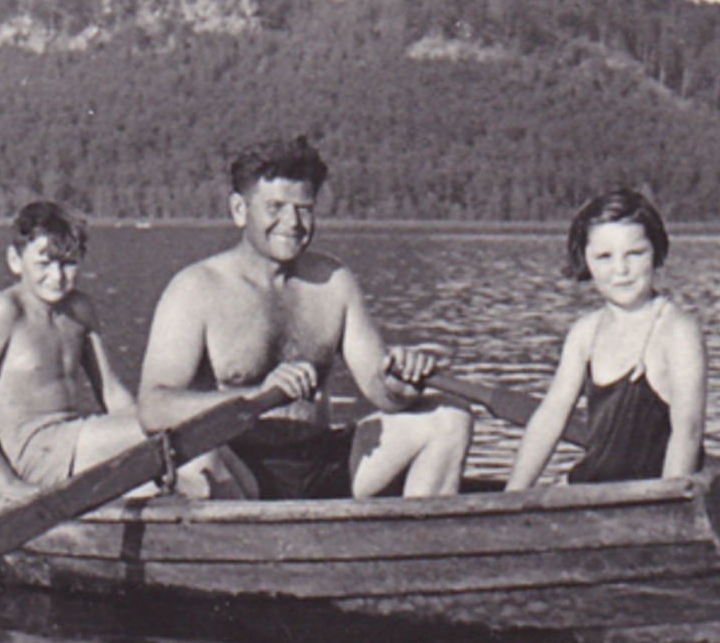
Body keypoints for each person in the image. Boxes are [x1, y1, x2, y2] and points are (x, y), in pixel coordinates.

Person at [137, 136, 471, 500]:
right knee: (189, 454)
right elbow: (153, 407)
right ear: (239, 209)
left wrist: (401, 383)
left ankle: (419, 529)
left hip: (322, 461)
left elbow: (382, 391)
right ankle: (246, 532)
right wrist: (254, 396)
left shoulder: (334, 281)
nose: (292, 222)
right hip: (239, 471)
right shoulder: (194, 289)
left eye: (304, 208)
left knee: (450, 416)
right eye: (275, 207)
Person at [504, 188, 706, 489]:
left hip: (650, 499)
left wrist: (667, 504)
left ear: (656, 251)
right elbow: (550, 418)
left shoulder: (677, 331)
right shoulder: (585, 332)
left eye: (635, 253)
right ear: (585, 260)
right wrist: (513, 494)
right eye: (604, 257)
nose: (621, 270)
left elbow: (688, 432)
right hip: (591, 492)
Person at [0, 201, 146, 500]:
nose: (57, 276)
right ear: (15, 260)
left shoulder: (80, 308)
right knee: (165, 434)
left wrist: (144, 421)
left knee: (178, 436)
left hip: (72, 435)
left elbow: (111, 392)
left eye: (68, 263)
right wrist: (7, 483)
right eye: (44, 263)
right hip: (32, 451)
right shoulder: (4, 311)